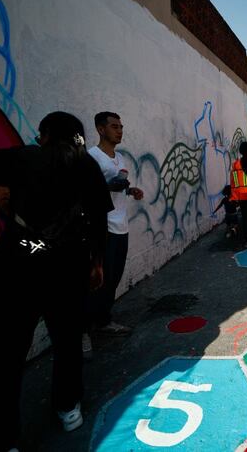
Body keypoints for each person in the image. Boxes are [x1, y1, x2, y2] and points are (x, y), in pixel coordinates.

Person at [0, 112, 112, 449]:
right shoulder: (87, 167)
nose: (38, 138)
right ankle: (68, 408)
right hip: (67, 267)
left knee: (4, 357)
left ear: (47, 134)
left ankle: (4, 438)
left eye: (41, 133)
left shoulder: (21, 157)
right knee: (67, 343)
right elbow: (98, 222)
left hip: (18, 263)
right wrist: (96, 265)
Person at [85, 112, 144, 356]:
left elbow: (118, 187)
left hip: (122, 225)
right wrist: (110, 185)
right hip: (102, 227)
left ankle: (103, 321)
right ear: (100, 129)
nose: (119, 131)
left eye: (121, 126)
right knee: (97, 280)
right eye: (114, 126)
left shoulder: (118, 157)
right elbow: (87, 191)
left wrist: (131, 190)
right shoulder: (91, 157)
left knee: (114, 278)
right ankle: (83, 332)